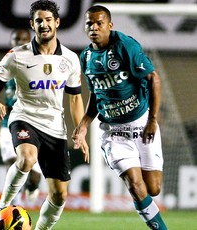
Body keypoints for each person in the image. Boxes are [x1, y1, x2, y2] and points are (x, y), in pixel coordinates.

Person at [0, 1, 89, 229]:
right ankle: (1, 206)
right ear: (32, 24)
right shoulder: (17, 56)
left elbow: (75, 98)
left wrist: (81, 130)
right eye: (39, 20)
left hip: (54, 128)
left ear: (57, 23)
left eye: (48, 20)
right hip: (24, 117)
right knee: (26, 159)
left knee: (59, 195)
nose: (44, 24)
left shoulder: (70, 59)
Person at [72, 5, 168, 230]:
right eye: (89, 24)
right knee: (135, 185)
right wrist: (84, 124)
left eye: (99, 23)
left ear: (109, 25)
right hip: (114, 133)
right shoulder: (85, 57)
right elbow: (97, 94)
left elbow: (153, 78)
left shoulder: (125, 46)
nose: (94, 28)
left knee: (152, 189)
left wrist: (153, 119)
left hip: (143, 125)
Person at [0, 28, 42, 204]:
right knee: (10, 161)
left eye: (24, 39)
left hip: (34, 123)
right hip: (9, 122)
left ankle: (32, 186)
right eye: (16, 39)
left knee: (33, 171)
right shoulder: (4, 64)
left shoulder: (40, 63)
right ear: (11, 42)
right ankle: (11, 204)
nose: (20, 42)